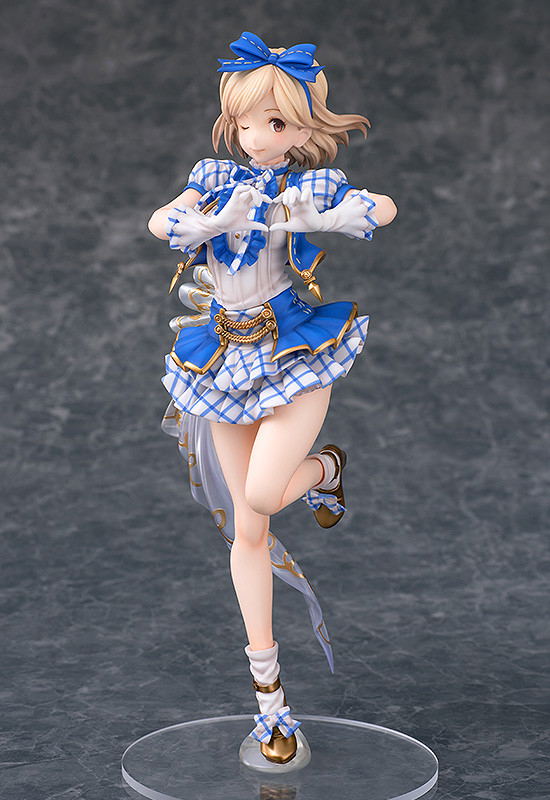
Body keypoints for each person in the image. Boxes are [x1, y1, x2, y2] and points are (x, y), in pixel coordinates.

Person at [147, 31, 397, 765]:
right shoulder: (212, 177)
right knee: (246, 532)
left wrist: (337, 216)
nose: (257, 136)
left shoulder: (307, 187)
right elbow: (162, 220)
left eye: (276, 123)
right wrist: (194, 222)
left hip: (293, 352)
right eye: (245, 120)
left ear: (301, 128)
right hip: (223, 355)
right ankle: (271, 706)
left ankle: (324, 468)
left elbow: (382, 206)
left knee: (259, 493)